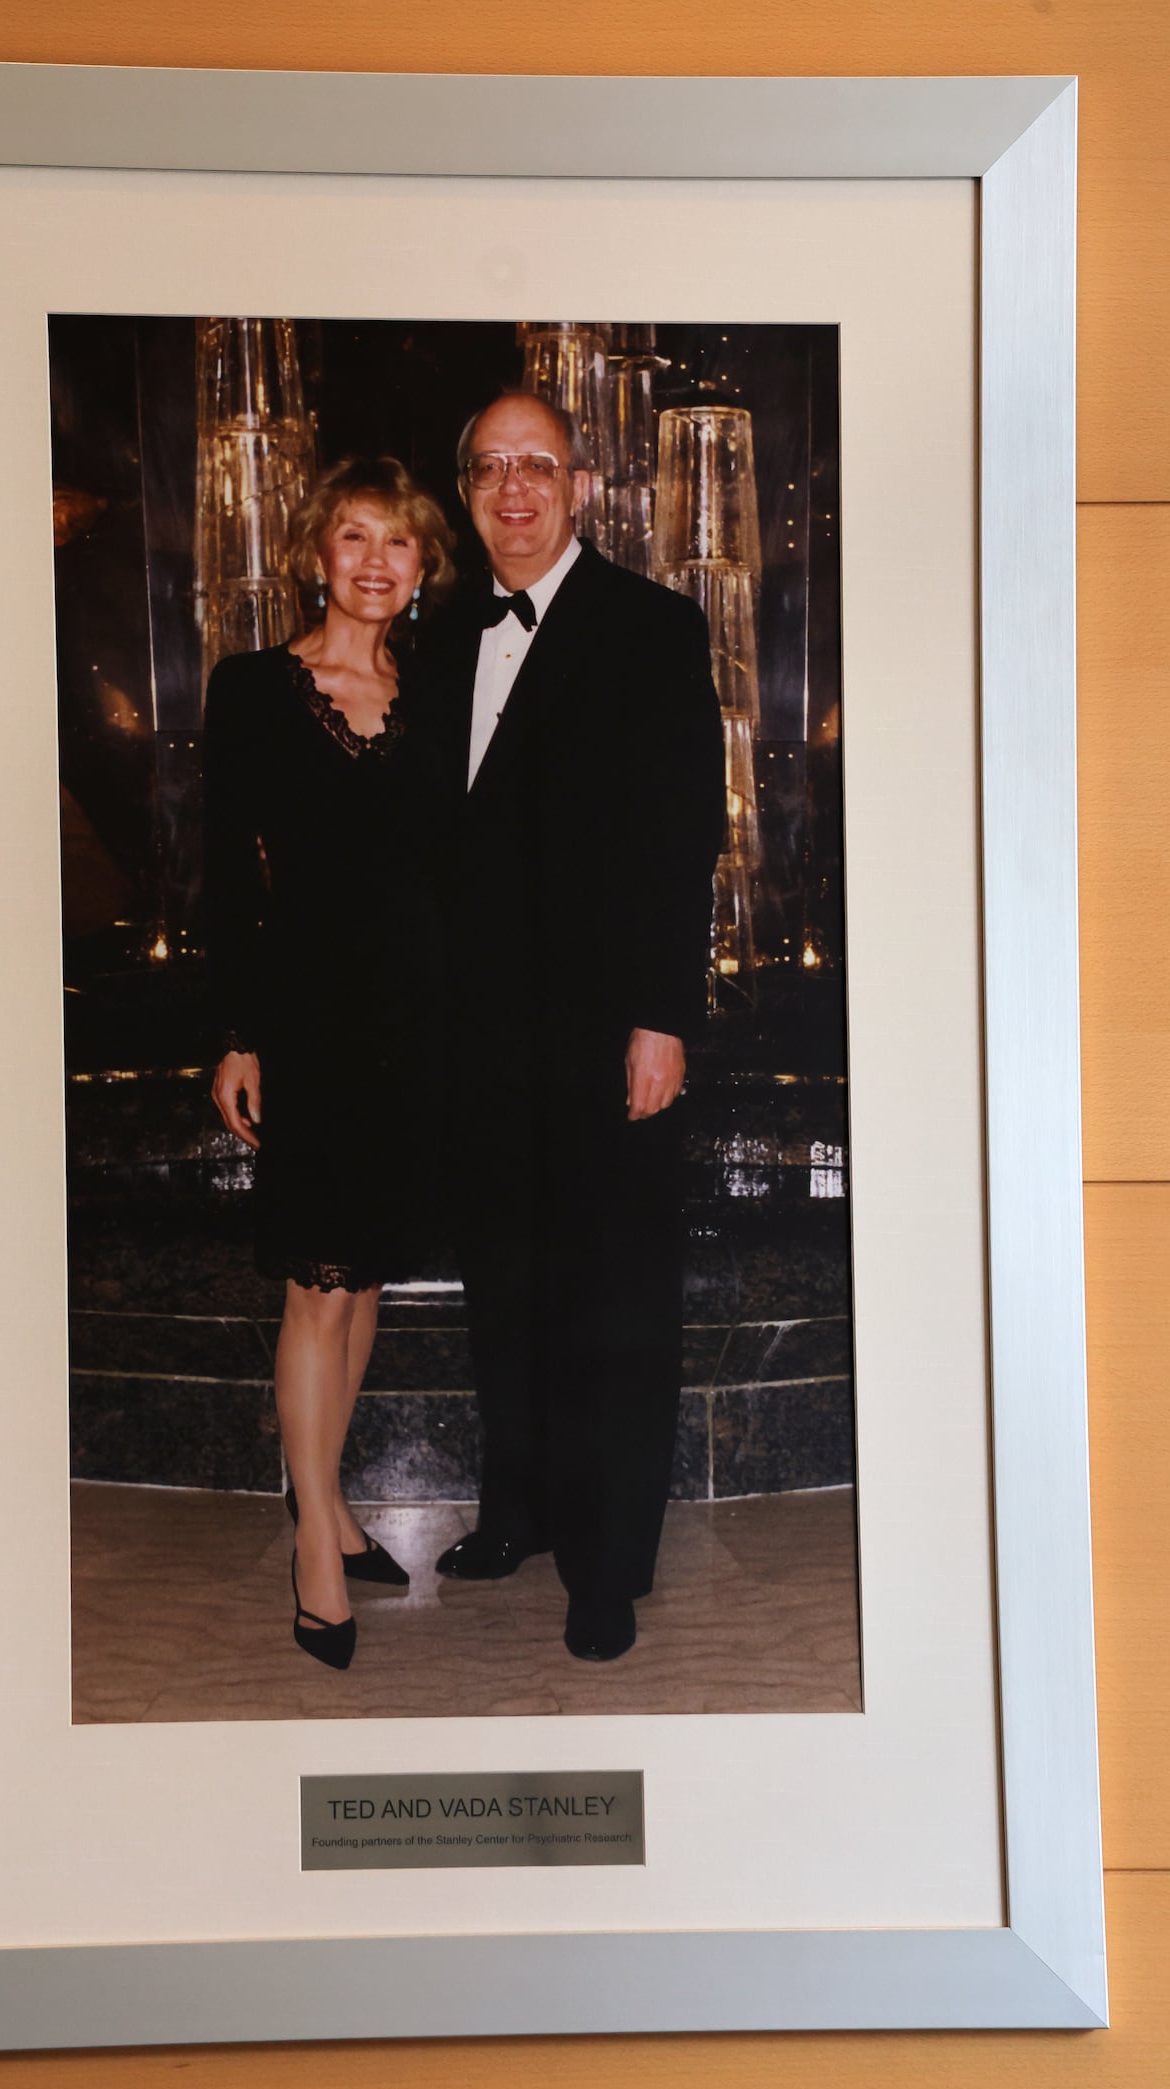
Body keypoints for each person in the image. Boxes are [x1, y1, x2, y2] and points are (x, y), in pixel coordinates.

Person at [417, 392, 724, 1663]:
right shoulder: (439, 636)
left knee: (614, 1298)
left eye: (537, 464)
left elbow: (682, 834)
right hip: (479, 1034)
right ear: (466, 490)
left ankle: (609, 1566)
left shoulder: (653, 626)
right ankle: (520, 1512)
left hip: (607, 1029)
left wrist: (663, 1013)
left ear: (582, 484)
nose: (514, 489)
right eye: (489, 468)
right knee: (509, 1285)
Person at [203, 456, 454, 1670]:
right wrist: (239, 1030)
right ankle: (314, 1545)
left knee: (362, 1283)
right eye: (354, 538)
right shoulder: (254, 689)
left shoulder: (438, 691)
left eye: (397, 545)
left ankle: (335, 1497)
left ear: (421, 570)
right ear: (319, 553)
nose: (374, 563)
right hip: (307, 1019)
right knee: (315, 1279)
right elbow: (222, 873)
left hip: (414, 1022)